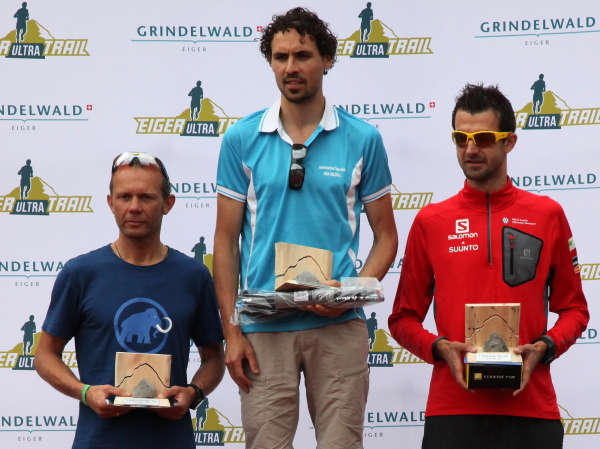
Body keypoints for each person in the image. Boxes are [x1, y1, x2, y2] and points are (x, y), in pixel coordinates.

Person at [214, 7, 397, 449]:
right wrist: (232, 332)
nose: (290, 67)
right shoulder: (241, 138)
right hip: (262, 326)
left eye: (302, 55)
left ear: (327, 59)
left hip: (338, 325)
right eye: (280, 57)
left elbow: (387, 237)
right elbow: (225, 242)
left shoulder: (363, 138)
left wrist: (348, 294)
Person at [388, 83, 589, 449]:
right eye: (460, 139)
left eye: (482, 138)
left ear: (508, 142)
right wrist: (440, 347)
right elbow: (402, 319)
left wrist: (545, 346)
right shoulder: (431, 221)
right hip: (452, 412)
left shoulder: (547, 215)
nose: (470, 149)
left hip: (532, 411)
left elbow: (575, 309)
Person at [35, 152, 225, 449]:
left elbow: (214, 358)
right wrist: (85, 393)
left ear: (168, 203)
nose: (134, 207)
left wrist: (193, 393)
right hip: (98, 441)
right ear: (111, 203)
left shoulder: (194, 276)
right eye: (124, 197)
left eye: (146, 197)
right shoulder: (80, 273)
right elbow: (45, 355)